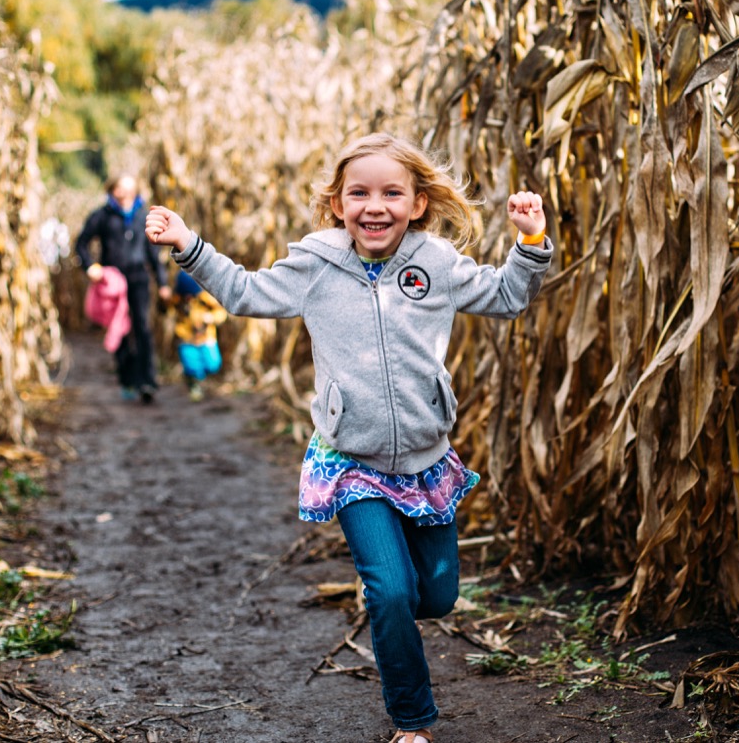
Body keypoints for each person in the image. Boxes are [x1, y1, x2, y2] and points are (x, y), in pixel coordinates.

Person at [144, 133, 551, 743]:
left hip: (426, 460)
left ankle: (394, 617)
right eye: (359, 193)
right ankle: (412, 723)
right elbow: (246, 293)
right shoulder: (315, 265)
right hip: (350, 461)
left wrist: (530, 242)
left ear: (417, 203)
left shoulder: (435, 264)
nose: (375, 205)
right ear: (338, 205)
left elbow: (506, 296)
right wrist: (188, 245)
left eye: (392, 192)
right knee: (389, 592)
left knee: (433, 598)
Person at [75, 174, 170, 402]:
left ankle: (147, 381)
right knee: (121, 330)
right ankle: (127, 380)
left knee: (143, 329)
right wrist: (90, 266)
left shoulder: (143, 215)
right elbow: (81, 244)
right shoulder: (102, 216)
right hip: (113, 283)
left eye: (129, 188)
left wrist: (163, 282)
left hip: (139, 278)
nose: (124, 193)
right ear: (112, 190)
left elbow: (154, 254)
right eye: (120, 188)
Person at [169, 270, 227, 401]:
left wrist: (211, 317)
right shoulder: (178, 300)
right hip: (187, 339)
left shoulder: (205, 298)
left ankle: (198, 379)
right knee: (192, 366)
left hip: (206, 338)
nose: (188, 297)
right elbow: (166, 308)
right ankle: (194, 384)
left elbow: (221, 313)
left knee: (213, 364)